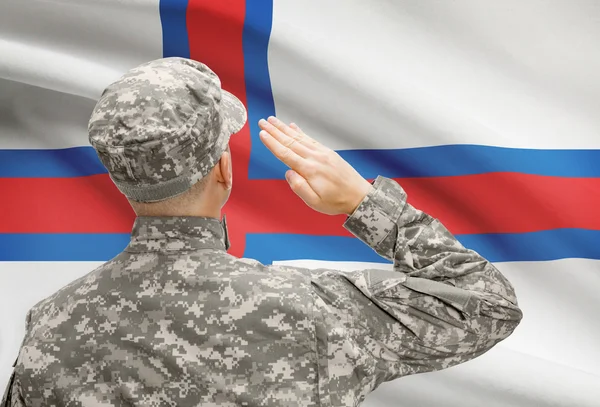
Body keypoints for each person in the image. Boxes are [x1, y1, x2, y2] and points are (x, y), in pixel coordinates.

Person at [1, 57, 523, 407]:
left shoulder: (51, 325)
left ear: (120, 176)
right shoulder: (314, 311)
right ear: (223, 169)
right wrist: (365, 203)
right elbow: (487, 304)